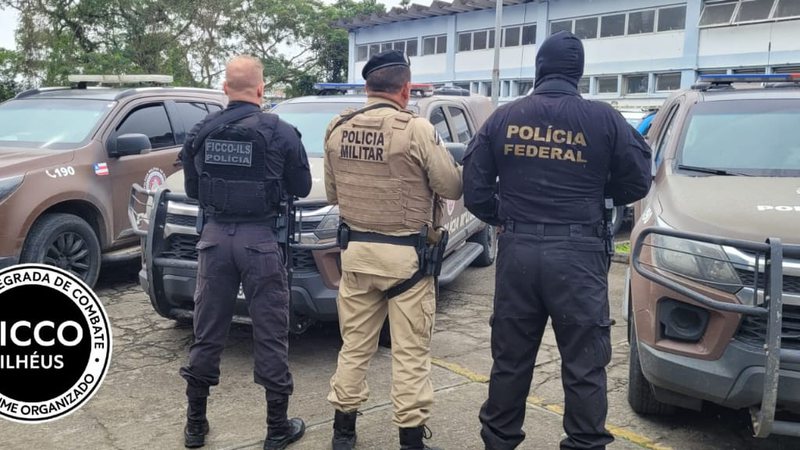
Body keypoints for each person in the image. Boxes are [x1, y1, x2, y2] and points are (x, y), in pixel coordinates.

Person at [463, 31, 652, 450]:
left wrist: (504, 216)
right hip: (579, 254)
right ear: (578, 73)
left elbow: (474, 189)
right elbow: (638, 180)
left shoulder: (504, 117)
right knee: (585, 364)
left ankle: (499, 442)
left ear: (539, 68)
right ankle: (584, 443)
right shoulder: (605, 119)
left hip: (518, 252)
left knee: (510, 360)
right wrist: (597, 194)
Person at [323, 49, 462, 450]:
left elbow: (333, 193)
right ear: (405, 90)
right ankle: (411, 441)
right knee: (411, 354)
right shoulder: (416, 129)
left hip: (356, 256)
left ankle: (342, 434)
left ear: (367, 87)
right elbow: (452, 186)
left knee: (354, 347)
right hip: (408, 263)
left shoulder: (337, 127)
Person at [178, 55, 311, 450]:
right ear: (261, 89)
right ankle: (276, 428)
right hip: (261, 242)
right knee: (270, 333)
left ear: (225, 88)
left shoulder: (201, 131)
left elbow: (193, 190)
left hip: (214, 241)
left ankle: (195, 425)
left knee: (207, 331)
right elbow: (302, 187)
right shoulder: (281, 131)